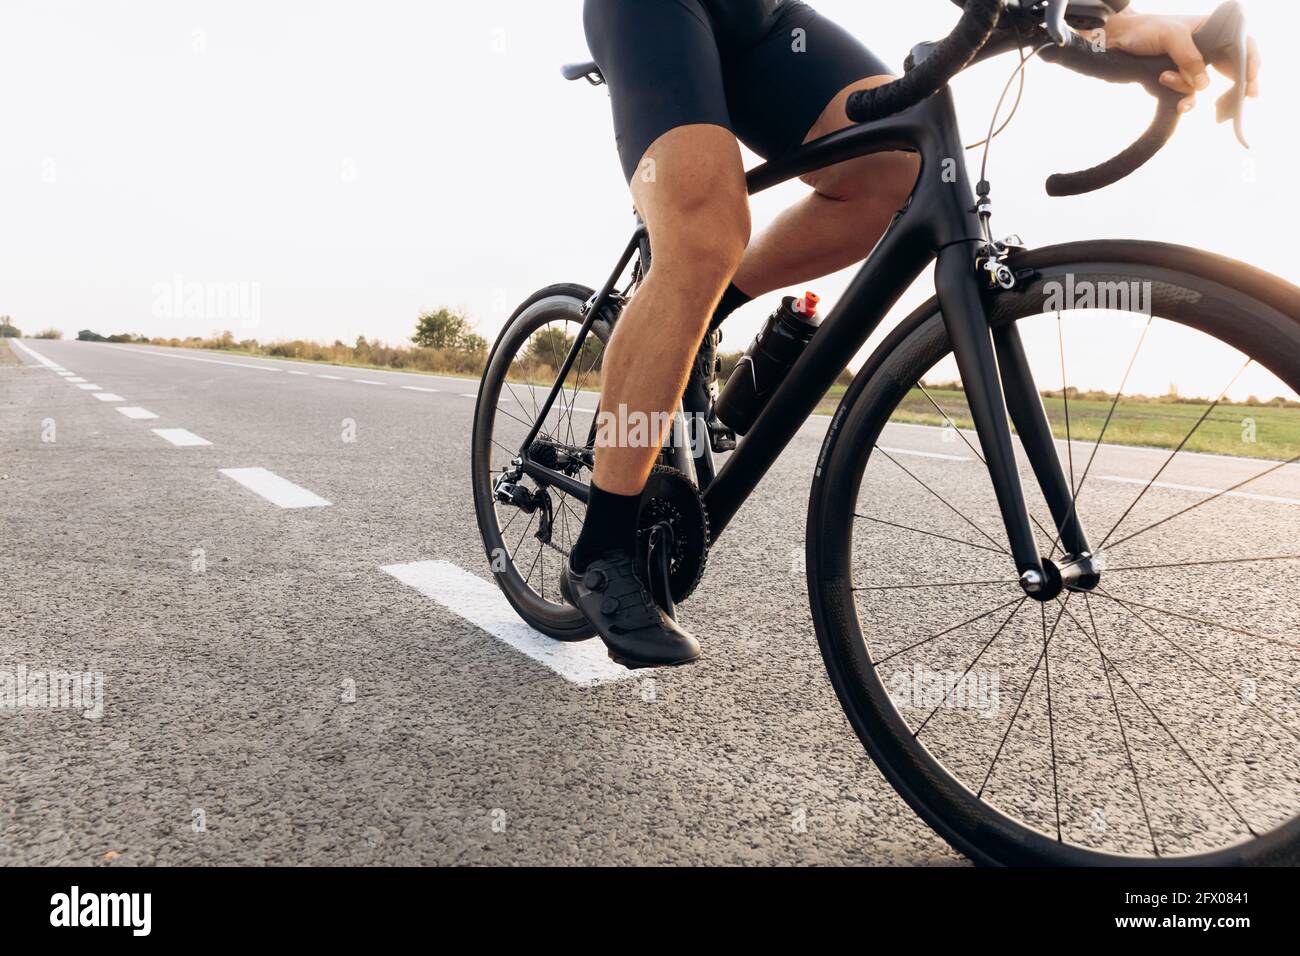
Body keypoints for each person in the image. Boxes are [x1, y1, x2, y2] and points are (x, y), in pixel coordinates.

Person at [560, 0, 1262, 669]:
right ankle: (601, 548)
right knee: (704, 235)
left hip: (766, 16)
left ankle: (701, 306)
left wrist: (1115, 19)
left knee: (895, 168)